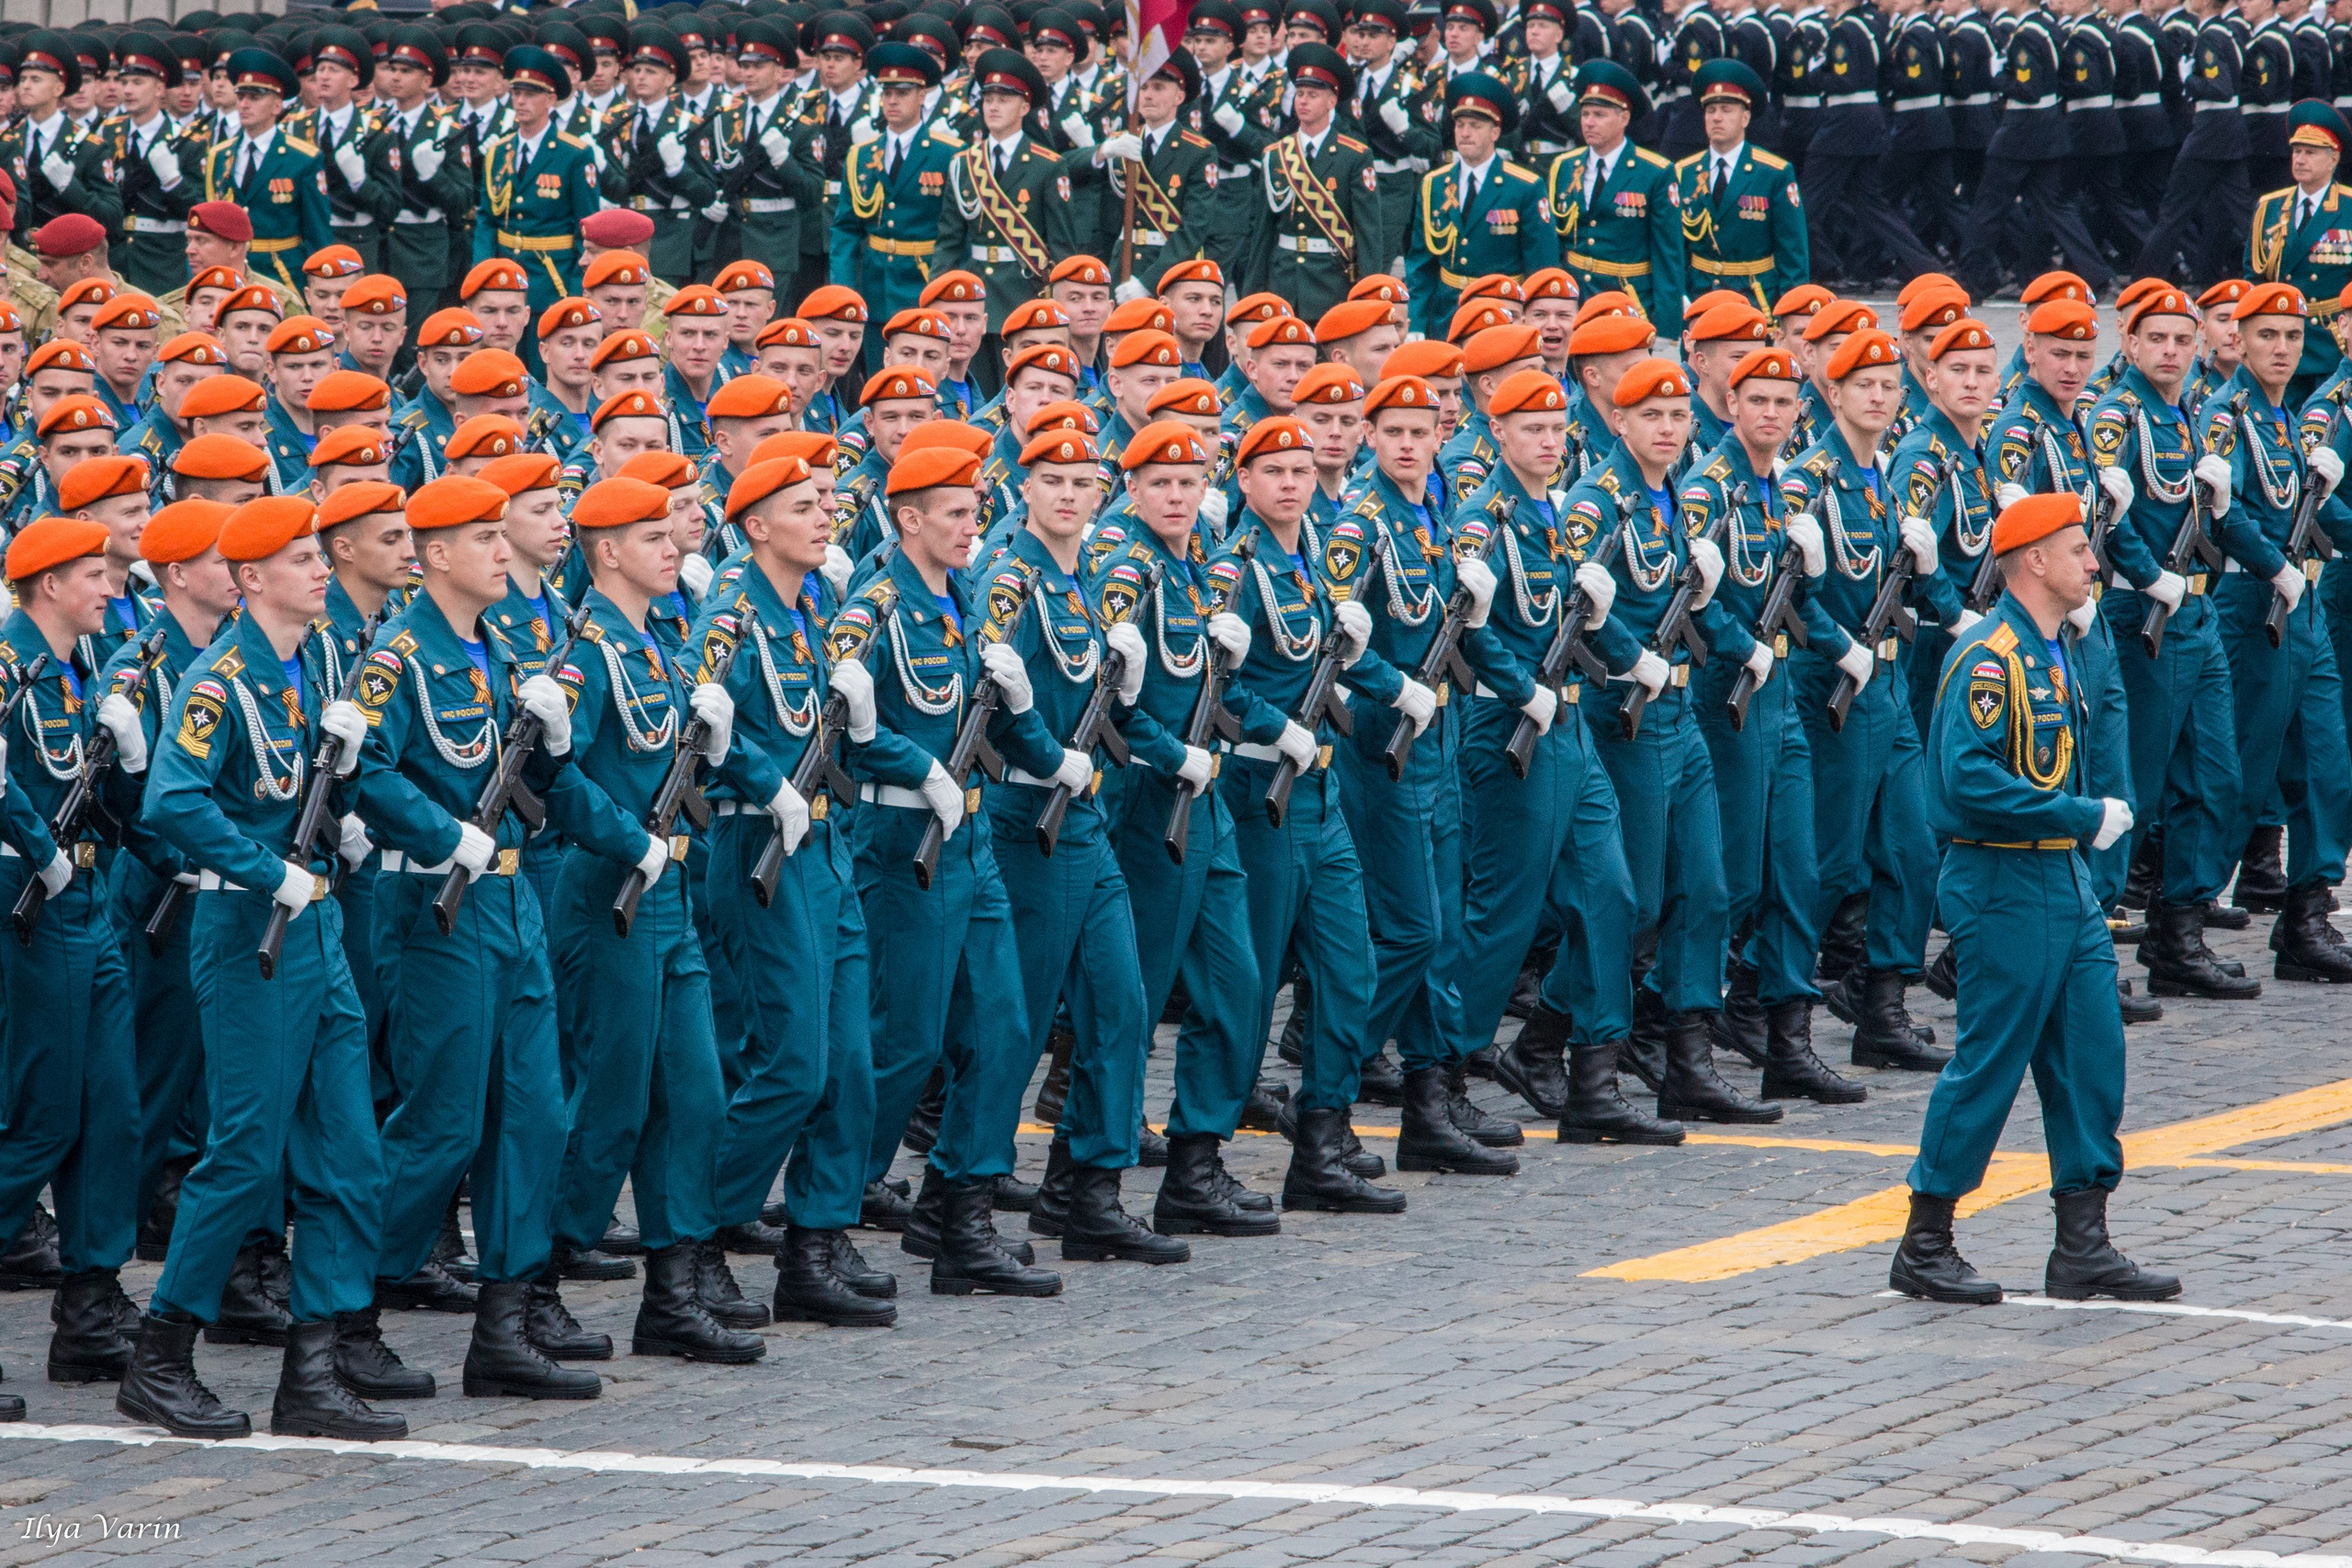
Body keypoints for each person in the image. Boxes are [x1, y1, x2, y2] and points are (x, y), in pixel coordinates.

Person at [127, 494, 404, 1442]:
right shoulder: (218, 680)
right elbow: (171, 800)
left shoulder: (317, 659)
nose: (323, 569)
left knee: (347, 1150)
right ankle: (162, 1355)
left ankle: (314, 1366)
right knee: (246, 1150)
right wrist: (264, 867)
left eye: (320, 555)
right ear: (251, 578)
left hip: (314, 924)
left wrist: (350, 793)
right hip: (250, 926)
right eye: (301, 559)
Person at [1892, 491, 2179, 1308]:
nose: (2093, 562)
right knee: (1989, 1062)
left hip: (2062, 881)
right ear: (2034, 561)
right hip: (2002, 879)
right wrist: (2079, 816)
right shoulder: (1990, 658)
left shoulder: (2057, 651)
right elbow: (1964, 781)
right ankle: (1925, 1239)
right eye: (2077, 549)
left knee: (2091, 1055)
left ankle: (2083, 1244)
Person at [541, 474, 767, 1364]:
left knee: (695, 1094)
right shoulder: (586, 654)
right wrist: (626, 838)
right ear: (606, 552)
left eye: (671, 533)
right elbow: (555, 778)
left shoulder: (657, 644)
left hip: (662, 891)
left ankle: (674, 1288)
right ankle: (535, 1277)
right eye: (651, 537)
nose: (673, 547)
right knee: (612, 1102)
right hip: (611, 893)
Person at [1319, 375, 1525, 1172]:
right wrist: (1390, 684)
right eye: (1394, 431)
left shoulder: (1432, 514)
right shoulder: (1360, 524)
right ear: (1369, 436)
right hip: (1385, 739)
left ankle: (1429, 1102)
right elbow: (1335, 637)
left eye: (1422, 429)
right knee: (1412, 931)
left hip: (1435, 733)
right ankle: (1329, 1085)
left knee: (1441, 929)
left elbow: (1448, 627)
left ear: (1442, 434)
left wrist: (1509, 671)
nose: (1409, 443)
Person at [1209, 415, 1409, 1209]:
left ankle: (1323, 1136)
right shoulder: (1236, 569)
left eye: (1300, 470)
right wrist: (1273, 727)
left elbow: (1334, 661)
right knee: (1249, 985)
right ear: (1245, 480)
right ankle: (1201, 1154)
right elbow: (1216, 686)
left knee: (1349, 967)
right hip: (1260, 793)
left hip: (1318, 792)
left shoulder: (1311, 558)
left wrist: (1393, 684)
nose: (1291, 483)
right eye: (1274, 470)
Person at [1677, 345, 1860, 1101]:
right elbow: (1693, 597)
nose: (1773, 414)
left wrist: (1840, 644)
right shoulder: (1708, 489)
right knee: (1731, 879)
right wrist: (1737, 642)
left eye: (1785, 403)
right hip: (1730, 695)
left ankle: (1789, 1039)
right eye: (1758, 400)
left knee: (1797, 869)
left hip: (1777, 693)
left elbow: (1792, 599)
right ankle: (1677, 1034)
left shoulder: (1780, 487)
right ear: (1731, 403)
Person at [1779, 328, 1950, 1075]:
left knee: (1912, 846)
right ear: (1833, 391)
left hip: (1888, 682)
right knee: (1827, 861)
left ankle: (1882, 1004)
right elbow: (1787, 595)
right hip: (1833, 688)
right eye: (1863, 386)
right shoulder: (1807, 480)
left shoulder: (1886, 476)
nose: (1879, 397)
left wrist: (1933, 579)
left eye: (1888, 386)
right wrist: (1833, 642)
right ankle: (1763, 1000)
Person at [0, 518, 141, 1401]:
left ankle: (89, 1308)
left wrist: (128, 759)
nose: (108, 587)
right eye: (92, 574)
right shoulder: (9, 666)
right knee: (41, 1115)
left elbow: (109, 805)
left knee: (110, 1109)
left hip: (87, 898)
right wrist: (37, 846)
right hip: (28, 898)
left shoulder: (82, 667)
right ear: (48, 583)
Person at [2086, 288, 2259, 999]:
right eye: (2155, 338)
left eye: (2182, 339)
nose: (2170, 350)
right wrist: (2149, 574)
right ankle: (2089, 950)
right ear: (2129, 343)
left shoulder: (2190, 411)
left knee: (2215, 774)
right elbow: (2107, 511)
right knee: (2136, 786)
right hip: (2144, 614)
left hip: (2195, 611)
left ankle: (2178, 932)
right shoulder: (2117, 416)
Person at [2205, 283, 2352, 980]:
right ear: (2238, 339)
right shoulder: (2227, 413)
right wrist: (2275, 567)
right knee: (2241, 766)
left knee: (2325, 759)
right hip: (2252, 601)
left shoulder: (2285, 416)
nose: (2283, 348)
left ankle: (2307, 915)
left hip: (2302, 603)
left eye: (2293, 336)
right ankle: (2181, 915)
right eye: (2268, 335)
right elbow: (2223, 510)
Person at [1404, 73, 1558, 340]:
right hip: (1448, 315)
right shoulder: (1434, 185)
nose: (1465, 133)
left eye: (1475, 126)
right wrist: (1416, 323)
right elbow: (1421, 265)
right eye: (1460, 124)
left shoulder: (1525, 187)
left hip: (1502, 315)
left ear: (1495, 132)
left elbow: (1541, 266)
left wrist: (1534, 324)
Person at [1245, 44, 1385, 326]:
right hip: (1284, 280)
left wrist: (1368, 296)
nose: (1303, 101)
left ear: (1332, 101)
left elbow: (1368, 232)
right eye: (1299, 93)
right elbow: (1263, 232)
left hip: (1331, 281)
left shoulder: (1354, 156)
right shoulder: (1276, 155)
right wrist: (1252, 294)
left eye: (1313, 95)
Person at [1549, 62, 1685, 324]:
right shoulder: (1564, 167)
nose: (1589, 123)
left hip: (1628, 303)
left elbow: (1668, 255)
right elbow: (1555, 244)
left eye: (1599, 115)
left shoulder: (1655, 172)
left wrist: (1668, 330)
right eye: (1585, 114)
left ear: (1624, 118)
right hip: (1575, 303)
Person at [1673, 60, 1806, 313]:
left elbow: (1792, 249)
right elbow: (1675, 247)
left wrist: (1792, 310)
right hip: (1700, 296)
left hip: (1754, 298)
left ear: (1745, 117)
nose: (1717, 118)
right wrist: (1678, 295)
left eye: (1726, 110)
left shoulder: (1773, 173)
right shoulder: (1684, 172)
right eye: (1711, 110)